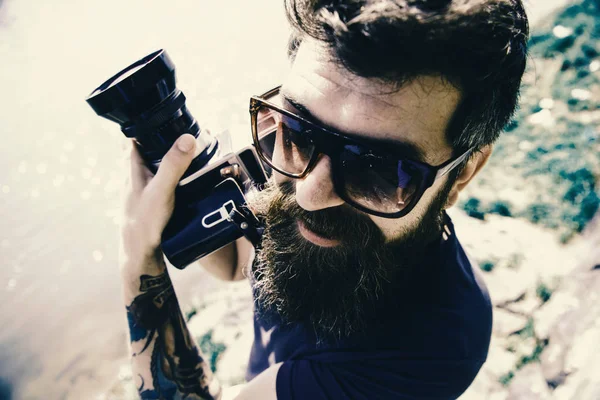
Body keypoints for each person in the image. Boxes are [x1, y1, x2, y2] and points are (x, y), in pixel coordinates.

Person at [120, 0, 529, 398]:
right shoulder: (291, 166)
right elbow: (234, 265)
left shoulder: (433, 350)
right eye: (297, 130)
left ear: (462, 174)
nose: (309, 194)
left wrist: (139, 256)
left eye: (381, 169)